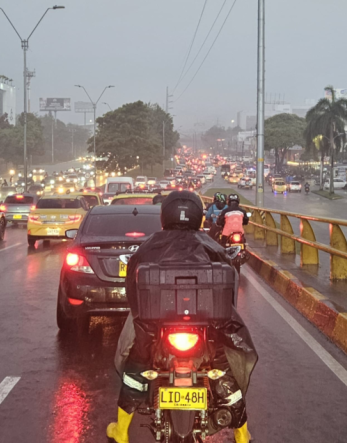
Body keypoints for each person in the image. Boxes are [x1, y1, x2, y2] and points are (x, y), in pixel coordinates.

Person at [107, 190, 255, 443]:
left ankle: (121, 431)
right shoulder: (211, 245)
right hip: (205, 326)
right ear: (198, 216)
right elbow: (228, 292)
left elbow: (132, 291)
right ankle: (242, 435)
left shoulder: (149, 245)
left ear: (165, 215)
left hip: (155, 326)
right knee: (223, 367)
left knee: (136, 364)